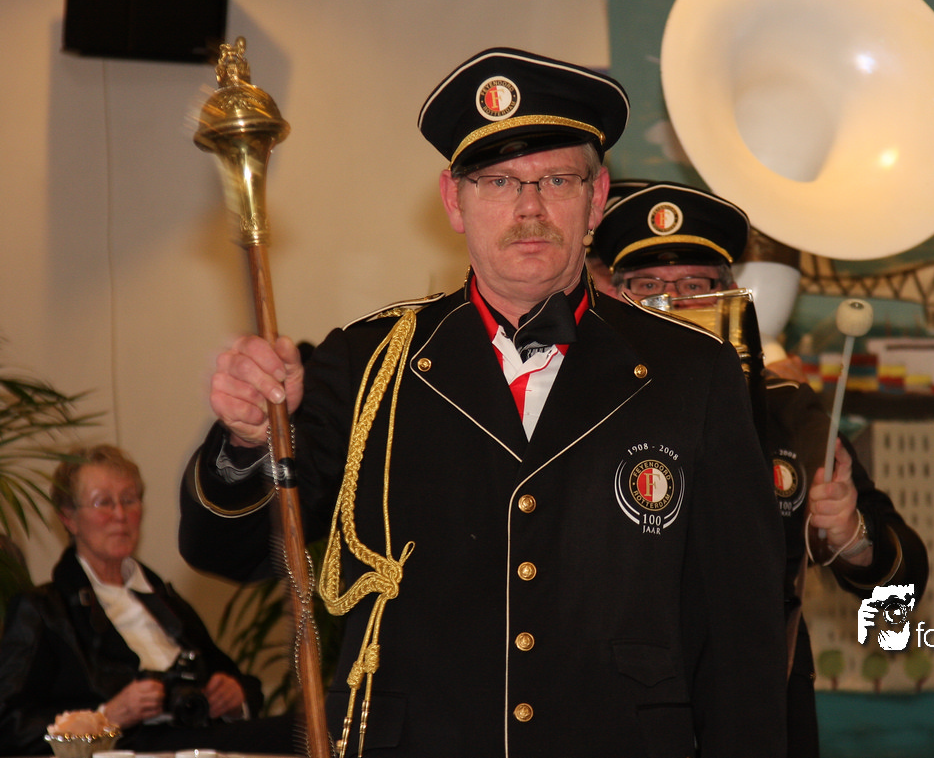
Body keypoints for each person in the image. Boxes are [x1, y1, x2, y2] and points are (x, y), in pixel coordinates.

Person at [178, 48, 787, 757]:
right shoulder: (369, 364)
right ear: (454, 201)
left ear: (596, 197)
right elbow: (234, 550)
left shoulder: (694, 374)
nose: (529, 208)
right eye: (498, 181)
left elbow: (740, 635)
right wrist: (247, 441)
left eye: (556, 179)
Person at [593, 181, 928, 758]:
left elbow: (902, 591)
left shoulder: (786, 409)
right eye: (648, 285)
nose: (672, 303)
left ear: (729, 298)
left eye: (694, 286)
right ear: (615, 295)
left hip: (758, 721)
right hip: (612, 722)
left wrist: (850, 539)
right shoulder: (581, 410)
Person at [0, 444, 296, 755]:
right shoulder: (44, 609)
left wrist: (235, 696)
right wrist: (105, 717)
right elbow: (9, 723)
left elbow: (239, 681)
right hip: (128, 747)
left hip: (199, 738)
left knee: (311, 725)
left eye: (129, 500)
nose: (120, 515)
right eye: (103, 502)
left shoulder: (163, 599)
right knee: (302, 732)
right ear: (69, 518)